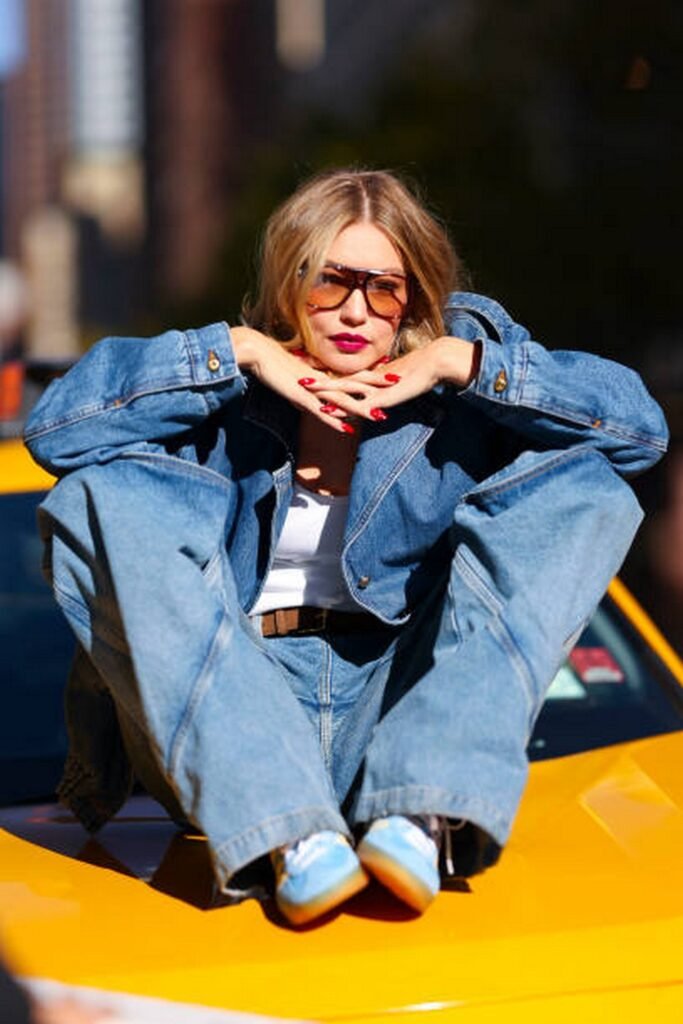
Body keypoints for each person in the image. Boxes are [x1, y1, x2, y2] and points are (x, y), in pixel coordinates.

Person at [24, 169, 667, 926]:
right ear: (289, 280)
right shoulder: (219, 404)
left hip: (393, 708)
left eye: (384, 288)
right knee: (104, 493)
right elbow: (57, 431)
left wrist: (457, 362)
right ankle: (284, 829)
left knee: (586, 487)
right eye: (332, 282)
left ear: (413, 295)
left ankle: (421, 807)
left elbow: (637, 434)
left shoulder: (454, 408)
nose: (357, 310)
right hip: (230, 718)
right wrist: (240, 353)